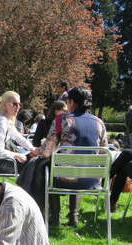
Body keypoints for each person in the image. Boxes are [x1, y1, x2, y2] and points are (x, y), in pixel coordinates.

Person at [29, 86, 108, 227]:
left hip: (64, 179)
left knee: (47, 166)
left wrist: (36, 152)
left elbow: (48, 151)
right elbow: (104, 153)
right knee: (75, 168)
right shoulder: (99, 123)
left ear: (71, 102)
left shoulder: (61, 120)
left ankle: (55, 216)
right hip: (92, 180)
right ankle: (74, 217)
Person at [0, 91, 35, 174]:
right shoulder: (1, 122)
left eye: (19, 104)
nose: (17, 107)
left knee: (34, 162)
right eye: (14, 104)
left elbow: (18, 138)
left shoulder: (6, 120)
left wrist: (33, 149)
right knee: (34, 166)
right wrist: (17, 155)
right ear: (4, 105)